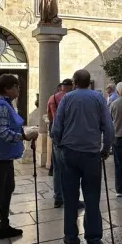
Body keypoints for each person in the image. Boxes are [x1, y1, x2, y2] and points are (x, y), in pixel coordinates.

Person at [51, 69, 115, 244]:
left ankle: (71, 243)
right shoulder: (98, 98)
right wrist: (106, 149)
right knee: (92, 199)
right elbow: (108, 128)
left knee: (70, 199)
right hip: (91, 155)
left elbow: (56, 128)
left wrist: (59, 144)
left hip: (69, 153)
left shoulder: (67, 99)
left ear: (74, 82)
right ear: (88, 82)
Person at [0, 74, 39, 244]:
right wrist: (24, 136)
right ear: (7, 89)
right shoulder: (0, 107)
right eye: (16, 87)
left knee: (8, 189)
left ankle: (4, 226)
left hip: (4, 157)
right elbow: (3, 133)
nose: (19, 90)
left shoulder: (6, 104)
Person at [48, 79, 82, 210]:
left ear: (62, 86)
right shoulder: (73, 98)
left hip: (57, 136)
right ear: (71, 86)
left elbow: (50, 117)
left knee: (57, 169)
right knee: (71, 170)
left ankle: (58, 198)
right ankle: (72, 198)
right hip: (70, 136)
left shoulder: (53, 98)